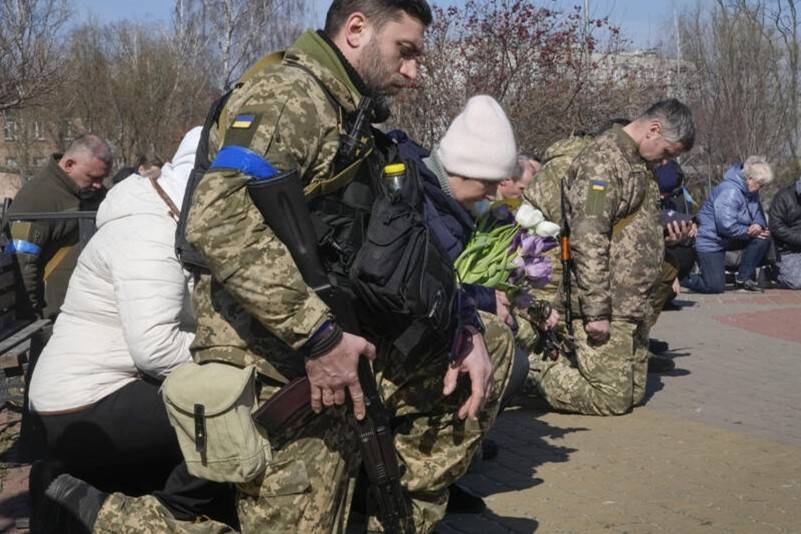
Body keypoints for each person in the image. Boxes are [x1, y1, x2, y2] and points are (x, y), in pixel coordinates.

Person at [40, 2, 514, 533]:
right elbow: (217, 220)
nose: (413, 72)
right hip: (280, 358)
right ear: (357, 29)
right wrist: (320, 339)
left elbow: (391, 244)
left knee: (489, 341)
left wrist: (459, 322)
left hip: (336, 343)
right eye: (404, 51)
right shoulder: (289, 97)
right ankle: (100, 515)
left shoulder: (348, 114)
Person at [28, 127, 233, 528]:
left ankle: (90, 494)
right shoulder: (149, 229)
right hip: (80, 404)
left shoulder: (166, 218)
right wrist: (232, 354)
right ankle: (167, 515)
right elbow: (154, 348)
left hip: (106, 389)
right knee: (230, 408)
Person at [529, 99, 695, 416]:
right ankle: (529, 370)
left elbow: (625, 233)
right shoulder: (602, 162)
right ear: (654, 130)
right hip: (610, 304)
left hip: (633, 304)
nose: (665, 162)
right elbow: (588, 235)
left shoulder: (636, 162)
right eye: (668, 153)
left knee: (631, 395)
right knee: (611, 399)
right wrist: (595, 311)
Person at [6, 134, 111, 319]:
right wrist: (32, 317)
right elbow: (23, 263)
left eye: (102, 178)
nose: (98, 185)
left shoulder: (90, 193)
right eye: (92, 177)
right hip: (55, 311)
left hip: (87, 306)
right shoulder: (36, 197)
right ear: (69, 165)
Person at [683, 156, 773, 294]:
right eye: (760, 184)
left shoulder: (751, 192)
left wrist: (759, 226)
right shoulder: (730, 192)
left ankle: (743, 280)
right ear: (749, 179)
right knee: (714, 286)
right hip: (710, 241)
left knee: (763, 237)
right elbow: (725, 226)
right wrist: (749, 231)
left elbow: (759, 214)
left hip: (729, 238)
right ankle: (679, 277)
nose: (761, 188)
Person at [768, 175, 801, 288]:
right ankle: (773, 272)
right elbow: (776, 226)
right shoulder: (783, 196)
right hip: (787, 250)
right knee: (797, 282)